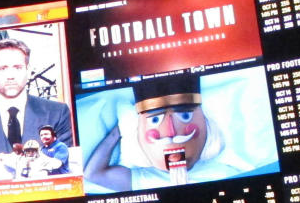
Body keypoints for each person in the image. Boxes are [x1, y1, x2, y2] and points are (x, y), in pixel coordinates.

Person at [84, 74, 226, 192]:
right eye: (156, 119)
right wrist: (120, 130)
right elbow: (93, 174)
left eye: (185, 116)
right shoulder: (145, 180)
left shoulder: (220, 174)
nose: (171, 134)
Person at [0, 38, 73, 157]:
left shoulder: (58, 114)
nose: (10, 76)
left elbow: (63, 166)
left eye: (17, 68)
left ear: (28, 72)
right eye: (3, 68)